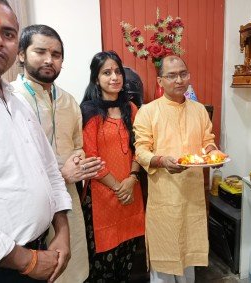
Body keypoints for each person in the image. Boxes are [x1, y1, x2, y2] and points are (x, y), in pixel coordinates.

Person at [11, 24, 104, 283]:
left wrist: (80, 161)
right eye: (40, 51)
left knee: (73, 269)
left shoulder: (68, 101)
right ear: (21, 54)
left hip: (68, 198)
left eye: (56, 54)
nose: (49, 60)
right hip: (29, 208)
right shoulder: (11, 101)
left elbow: (77, 144)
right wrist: (61, 173)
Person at [0, 1, 72, 282]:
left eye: (7, 33)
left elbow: (48, 169)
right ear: (23, 55)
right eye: (41, 51)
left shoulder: (16, 103)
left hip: (42, 247)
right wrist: (24, 260)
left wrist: (62, 232)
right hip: (9, 262)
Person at [133, 55, 225, 282]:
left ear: (189, 76)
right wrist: (162, 160)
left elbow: (208, 140)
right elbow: (141, 151)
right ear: (160, 81)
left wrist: (213, 152)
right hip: (164, 194)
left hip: (192, 194)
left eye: (183, 74)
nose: (179, 80)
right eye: (171, 75)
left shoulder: (199, 110)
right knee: (164, 258)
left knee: (187, 259)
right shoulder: (148, 111)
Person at [80, 51, 145, 282]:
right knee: (101, 270)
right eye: (106, 72)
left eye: (117, 72)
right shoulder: (89, 111)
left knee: (126, 263)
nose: (114, 77)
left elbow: (143, 147)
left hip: (131, 195)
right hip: (103, 200)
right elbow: (91, 158)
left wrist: (132, 180)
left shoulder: (132, 109)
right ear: (96, 78)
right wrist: (119, 187)